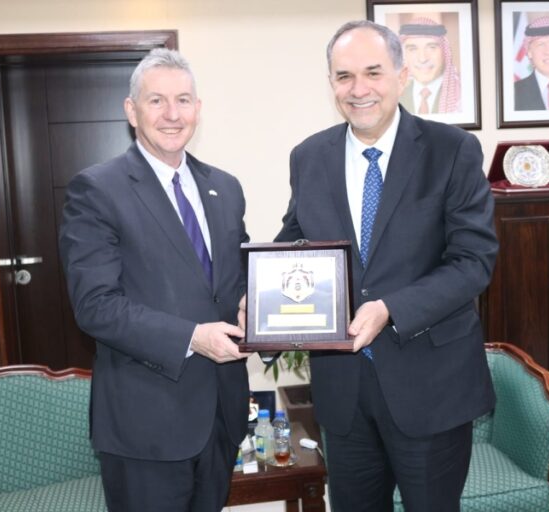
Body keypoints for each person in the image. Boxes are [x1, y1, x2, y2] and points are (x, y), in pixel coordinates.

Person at [275, 20, 498, 511]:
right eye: (344, 76)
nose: (359, 89)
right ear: (331, 83)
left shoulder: (452, 150)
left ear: (401, 76)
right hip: (344, 393)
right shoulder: (309, 157)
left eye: (373, 72)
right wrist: (262, 293)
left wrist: (389, 308)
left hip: (431, 385)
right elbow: (296, 240)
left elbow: (473, 262)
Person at [59, 48, 250, 512]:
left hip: (220, 418)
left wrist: (252, 303)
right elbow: (96, 305)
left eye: (183, 100)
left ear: (198, 109)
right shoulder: (97, 190)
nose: (172, 114)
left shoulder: (225, 188)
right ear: (132, 110)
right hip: (145, 427)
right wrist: (193, 337)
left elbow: (236, 277)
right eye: (156, 101)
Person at [398, 17, 462, 114]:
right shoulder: (396, 97)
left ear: (444, 52)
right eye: (413, 49)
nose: (422, 59)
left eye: (432, 47)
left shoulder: (461, 97)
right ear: (404, 55)